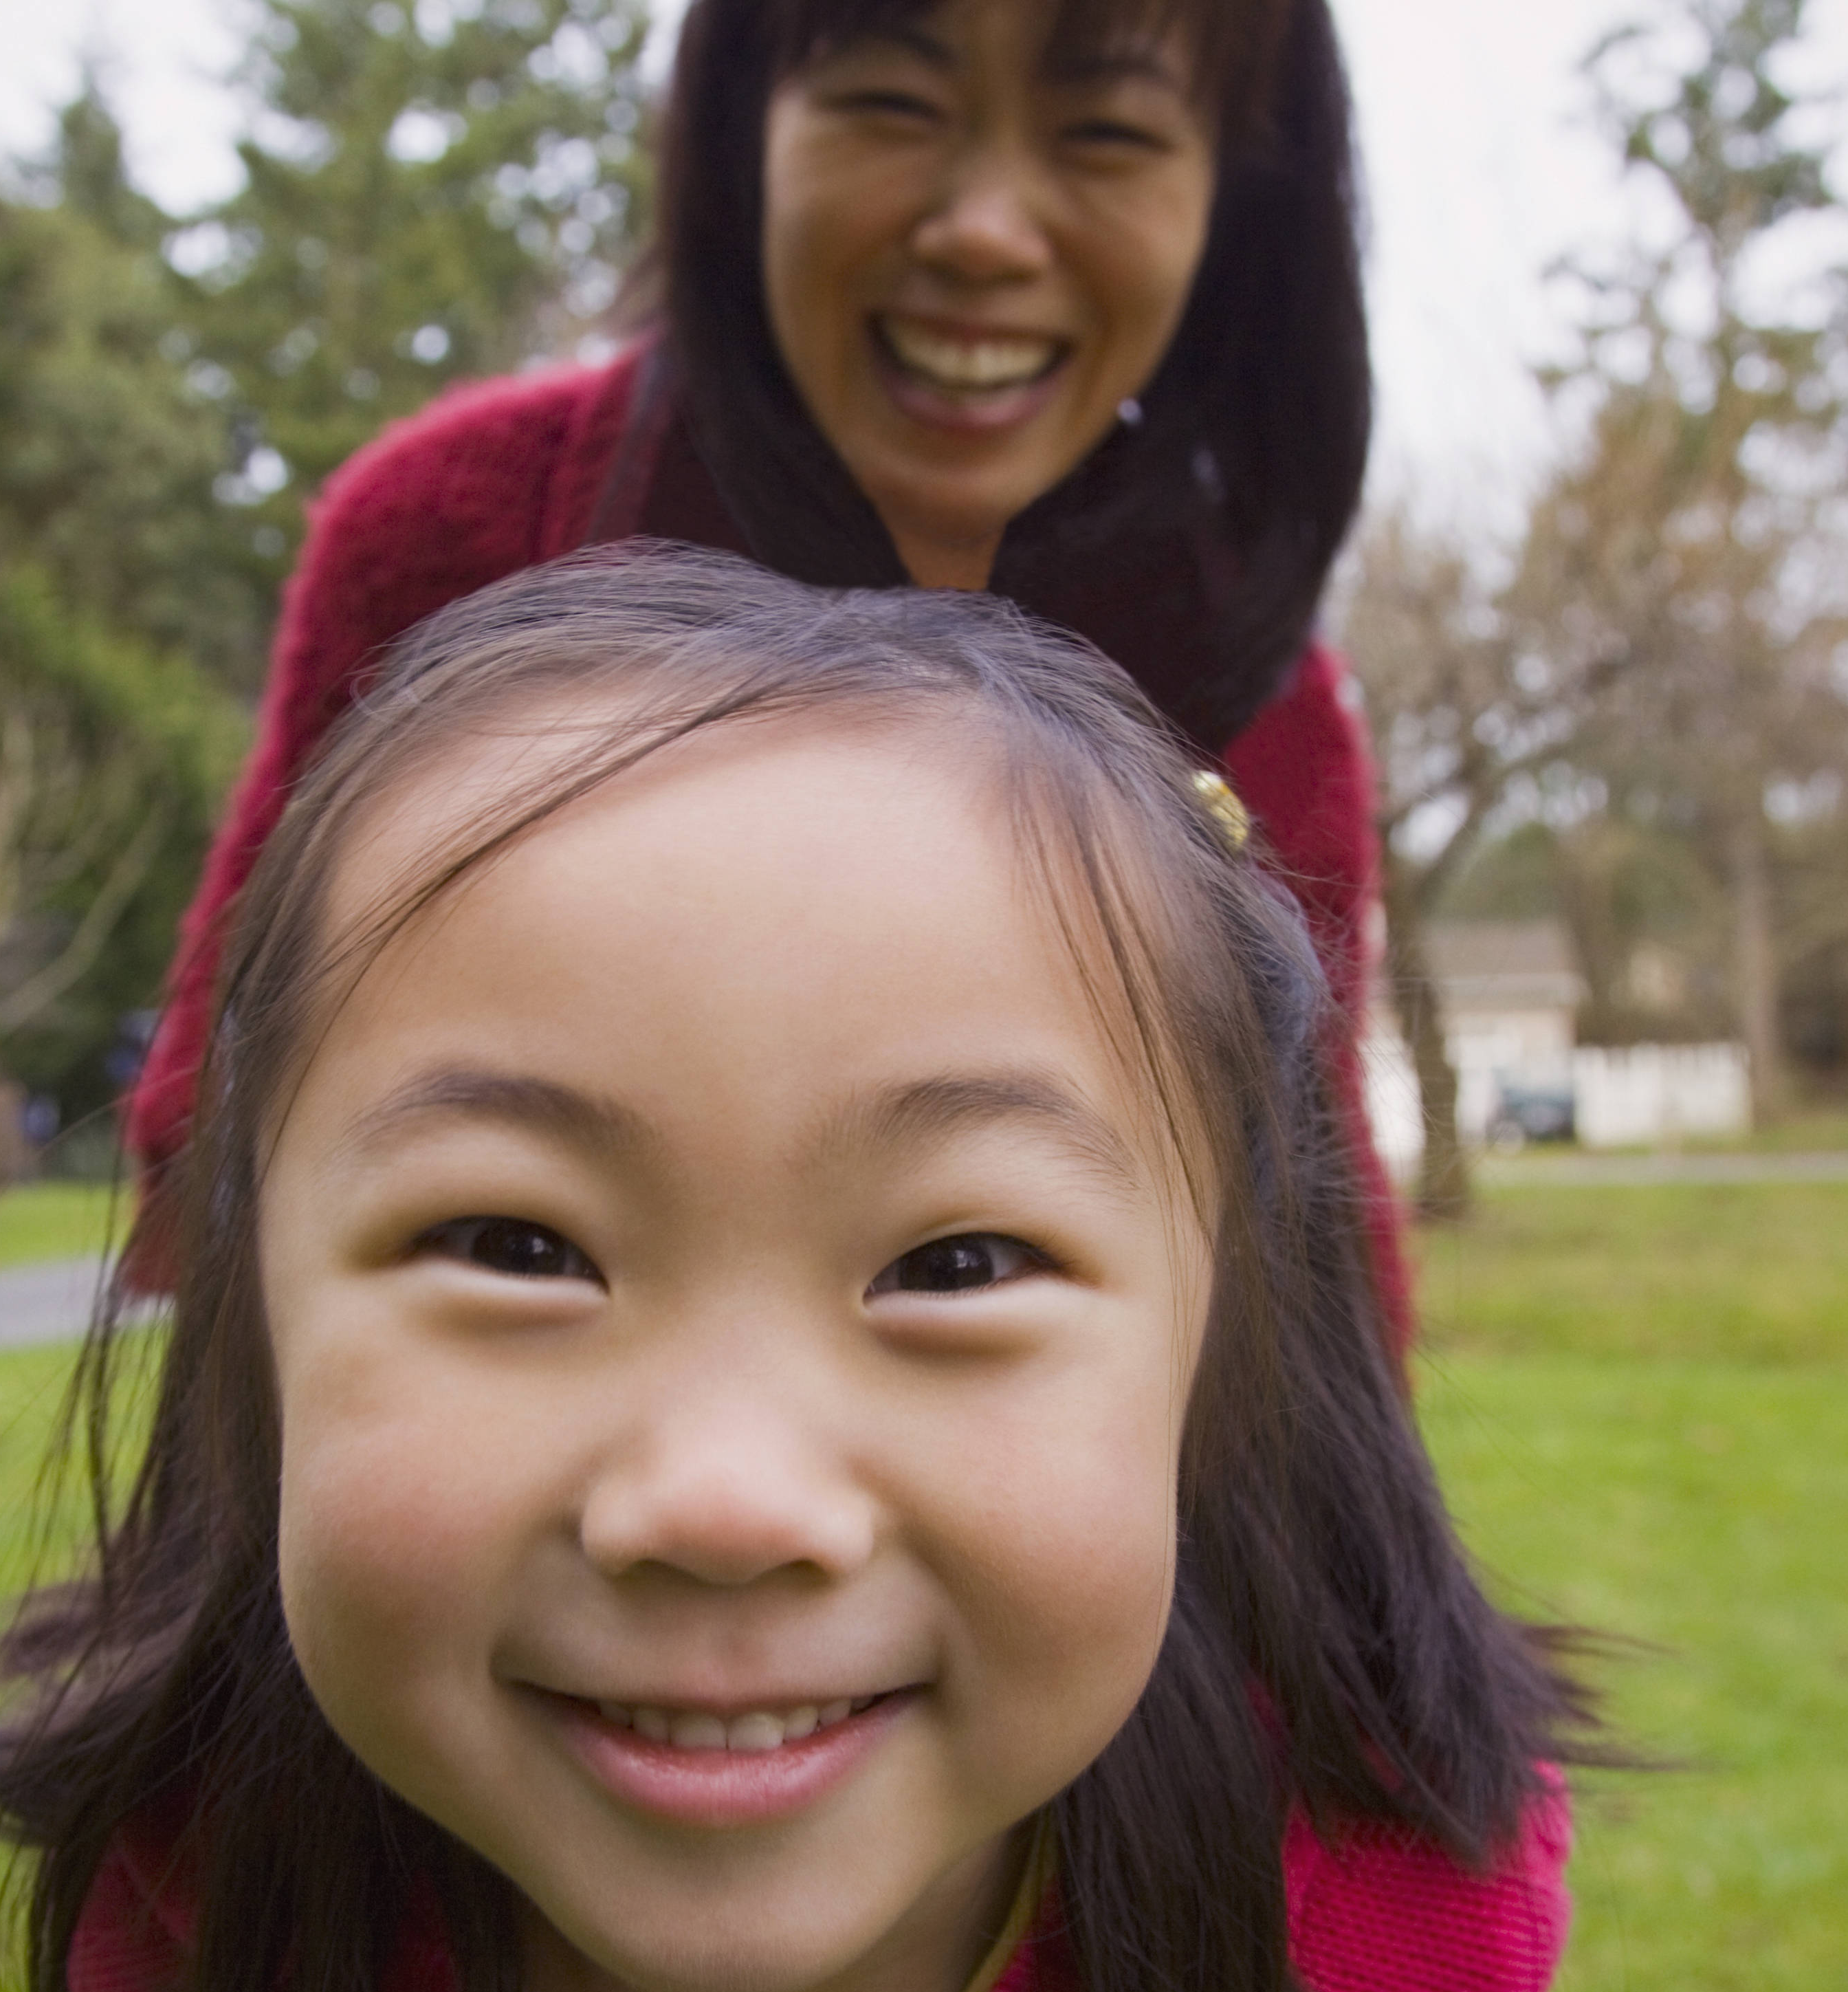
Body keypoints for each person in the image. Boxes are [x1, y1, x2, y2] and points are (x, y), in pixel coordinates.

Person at [0, 547, 1592, 1992]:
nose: (725, 1501)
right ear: (258, 1309)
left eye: (959, 1262)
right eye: (512, 1243)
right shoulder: (197, 1883)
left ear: (1218, 1349)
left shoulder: (1387, 1949)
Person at [124, 0, 1402, 1325]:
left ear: (1236, 210)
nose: (984, 230)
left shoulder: (1266, 709)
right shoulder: (460, 534)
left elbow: (1319, 1299)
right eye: (892, 104)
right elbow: (205, 1141)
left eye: (1110, 133)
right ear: (743, 138)